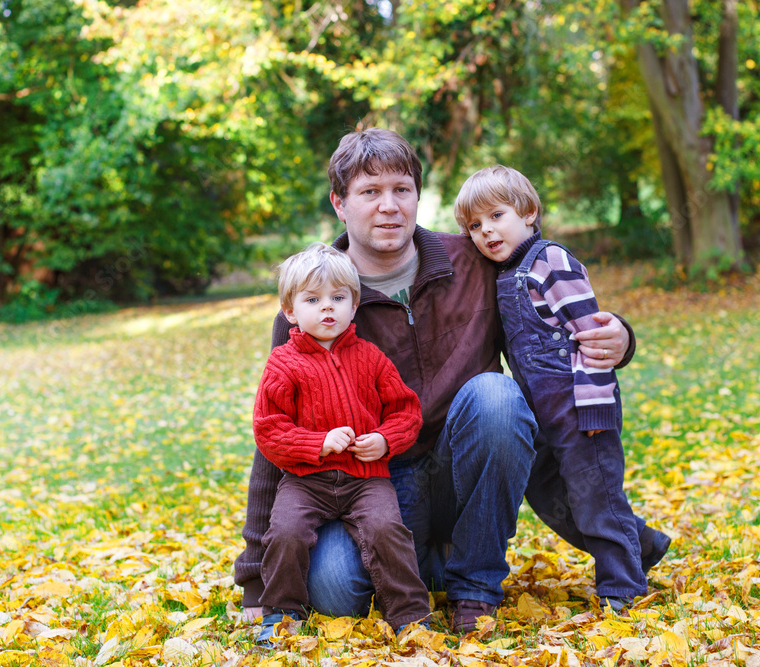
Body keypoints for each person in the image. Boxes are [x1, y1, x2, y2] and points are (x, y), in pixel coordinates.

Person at [234, 128, 653, 633]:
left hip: (463, 466)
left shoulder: (475, 260)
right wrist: (256, 576)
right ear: (339, 204)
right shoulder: (314, 300)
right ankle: (431, 562)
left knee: (495, 396)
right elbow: (274, 436)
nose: (389, 206)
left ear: (417, 196)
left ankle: (473, 582)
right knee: (333, 593)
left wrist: (619, 339)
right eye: (370, 193)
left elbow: (552, 316)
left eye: (401, 190)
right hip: (371, 486)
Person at [453, 165, 671, 610]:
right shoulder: (502, 273)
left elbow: (591, 339)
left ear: (529, 211)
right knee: (549, 496)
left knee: (596, 497)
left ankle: (622, 589)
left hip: (580, 410)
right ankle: (642, 543)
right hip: (542, 419)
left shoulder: (551, 261)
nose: (487, 231)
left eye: (497, 216)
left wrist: (592, 411)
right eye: (475, 226)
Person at [251, 242, 431, 643]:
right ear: (291, 311)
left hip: (366, 478)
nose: (327, 308)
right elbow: (268, 429)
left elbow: (407, 411)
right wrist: (317, 443)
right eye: (313, 299)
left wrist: (384, 441)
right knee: (285, 531)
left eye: (338, 297)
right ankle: (280, 615)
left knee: (387, 529)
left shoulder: (371, 357)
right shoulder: (283, 363)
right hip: (305, 481)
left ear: (354, 305)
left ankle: (411, 616)